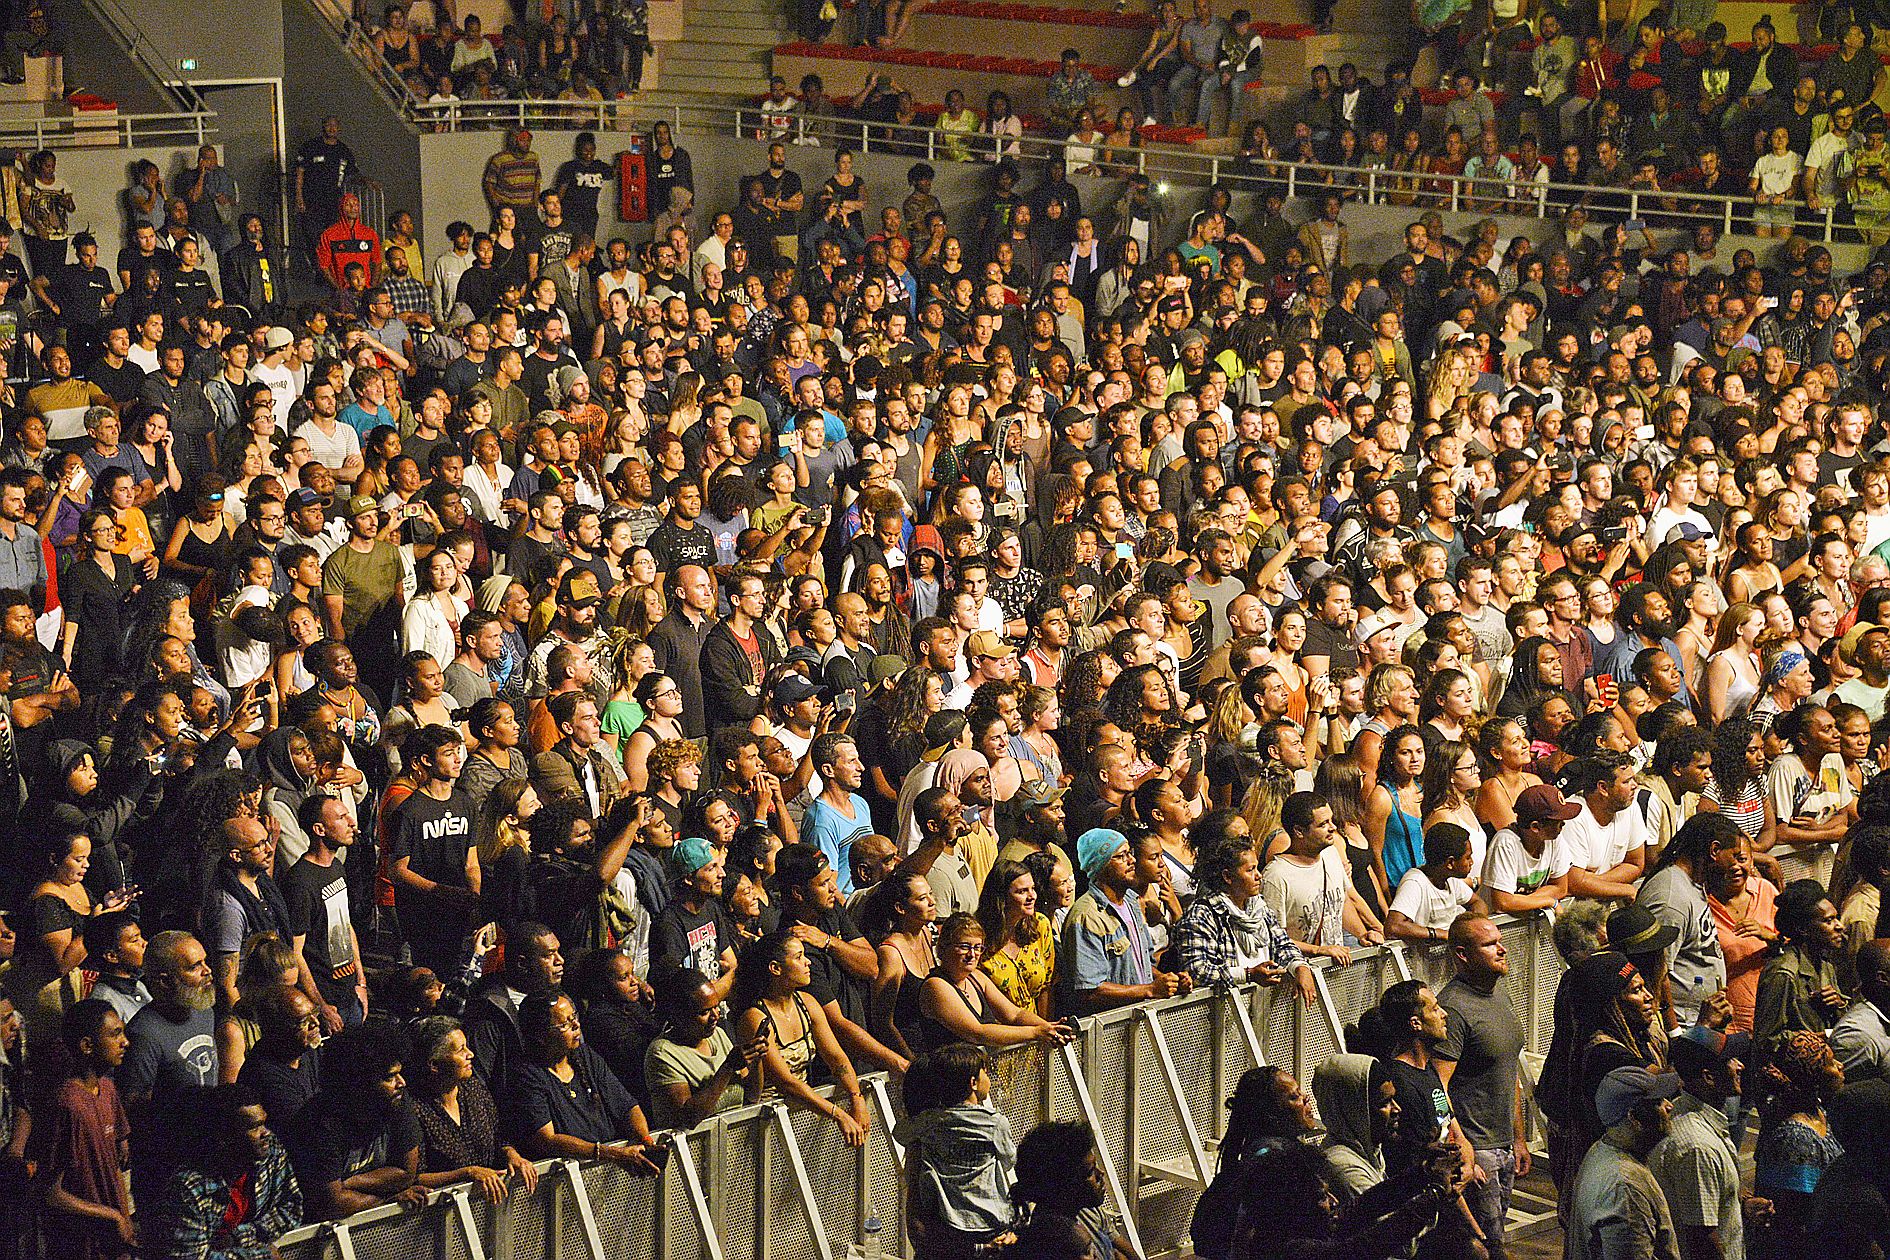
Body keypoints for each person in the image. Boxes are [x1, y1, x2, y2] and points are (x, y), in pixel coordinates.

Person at [1435, 914, 1529, 1257]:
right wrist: (1463, 1150)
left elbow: (1509, 1070)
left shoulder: (1500, 995)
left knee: (1498, 1236)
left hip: (1502, 1143)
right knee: (1486, 1247)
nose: (1502, 950)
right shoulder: (1453, 1007)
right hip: (1478, 1148)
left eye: (1499, 941)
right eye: (1490, 944)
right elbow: (1438, 1088)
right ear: (1462, 954)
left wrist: (1518, 1137)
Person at [895, 1044, 1019, 1260]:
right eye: (984, 1072)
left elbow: (900, 1133)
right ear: (973, 1083)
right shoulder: (994, 1122)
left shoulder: (930, 1121)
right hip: (989, 1220)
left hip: (949, 1223)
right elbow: (1009, 1161)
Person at [1648, 1026, 1753, 1260]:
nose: (1740, 1066)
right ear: (1708, 1077)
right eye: (1730, 1060)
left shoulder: (1692, 1116)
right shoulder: (1698, 1147)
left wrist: (1741, 1206)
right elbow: (1701, 1237)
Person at [1565, 1065, 1685, 1260]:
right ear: (1634, 1117)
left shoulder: (1601, 1148)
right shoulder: (1625, 1189)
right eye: (1658, 1102)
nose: (1669, 1106)